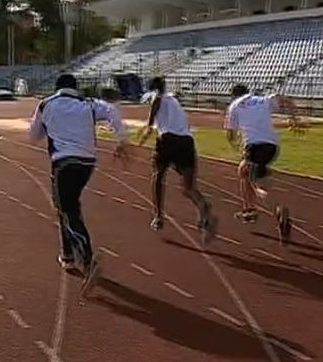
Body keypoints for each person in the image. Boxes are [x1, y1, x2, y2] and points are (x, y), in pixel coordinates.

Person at [28, 73, 128, 298]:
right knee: (67, 206)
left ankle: (88, 260)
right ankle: (67, 255)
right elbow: (112, 110)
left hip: (64, 162)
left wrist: (48, 128)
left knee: (67, 209)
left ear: (57, 88)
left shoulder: (46, 105)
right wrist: (121, 139)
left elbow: (33, 136)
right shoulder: (88, 104)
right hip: (87, 163)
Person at [137, 76, 218, 245]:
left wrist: (146, 131)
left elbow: (154, 111)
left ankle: (158, 216)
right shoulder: (174, 100)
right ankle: (202, 205)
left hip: (167, 140)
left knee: (158, 176)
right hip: (187, 142)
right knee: (188, 187)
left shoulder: (157, 97)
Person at [224, 83, 303, 244]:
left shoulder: (234, 106)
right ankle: (249, 210)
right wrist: (293, 119)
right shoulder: (263, 100)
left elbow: (230, 134)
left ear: (234, 96)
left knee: (259, 186)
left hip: (255, 147)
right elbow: (285, 99)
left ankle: (279, 210)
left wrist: (235, 144)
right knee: (243, 170)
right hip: (272, 146)